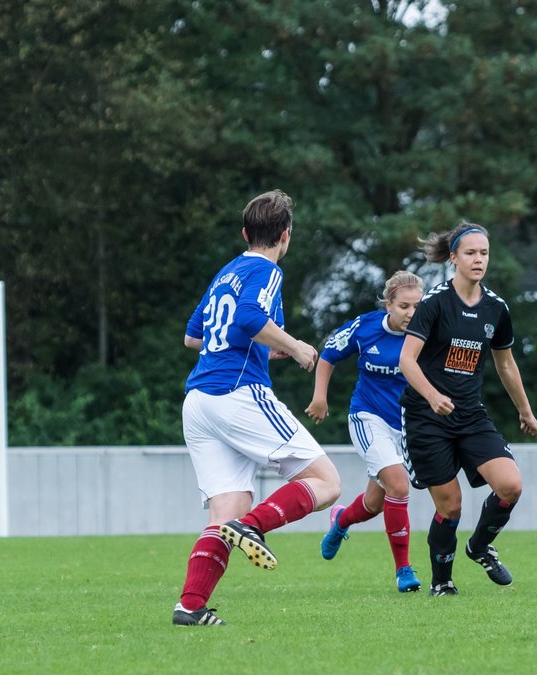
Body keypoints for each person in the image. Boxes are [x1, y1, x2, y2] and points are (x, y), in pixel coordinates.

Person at [175, 189, 341, 625]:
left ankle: (190, 606)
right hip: (237, 394)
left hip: (199, 402)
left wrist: (269, 349)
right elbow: (248, 319)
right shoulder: (266, 271)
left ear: (244, 232)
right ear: (285, 235)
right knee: (327, 482)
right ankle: (256, 526)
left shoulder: (226, 272)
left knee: (224, 510)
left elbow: (195, 337)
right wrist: (298, 348)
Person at [398, 222, 537, 595]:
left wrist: (525, 411)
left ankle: (479, 546)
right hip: (426, 417)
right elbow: (407, 361)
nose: (479, 260)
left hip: (469, 415)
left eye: (484, 253)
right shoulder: (434, 303)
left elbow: (506, 364)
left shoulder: (496, 308)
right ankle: (442, 582)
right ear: (454, 258)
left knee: (510, 485)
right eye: (470, 253)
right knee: (451, 506)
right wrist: (432, 396)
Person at [305, 271, 424, 593]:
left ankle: (342, 520)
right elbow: (328, 355)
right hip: (367, 417)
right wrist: (320, 397)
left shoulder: (426, 331)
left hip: (407, 426)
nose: (411, 313)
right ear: (388, 305)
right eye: (404, 306)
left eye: (417, 305)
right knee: (398, 486)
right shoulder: (366, 327)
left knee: (375, 504)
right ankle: (404, 571)